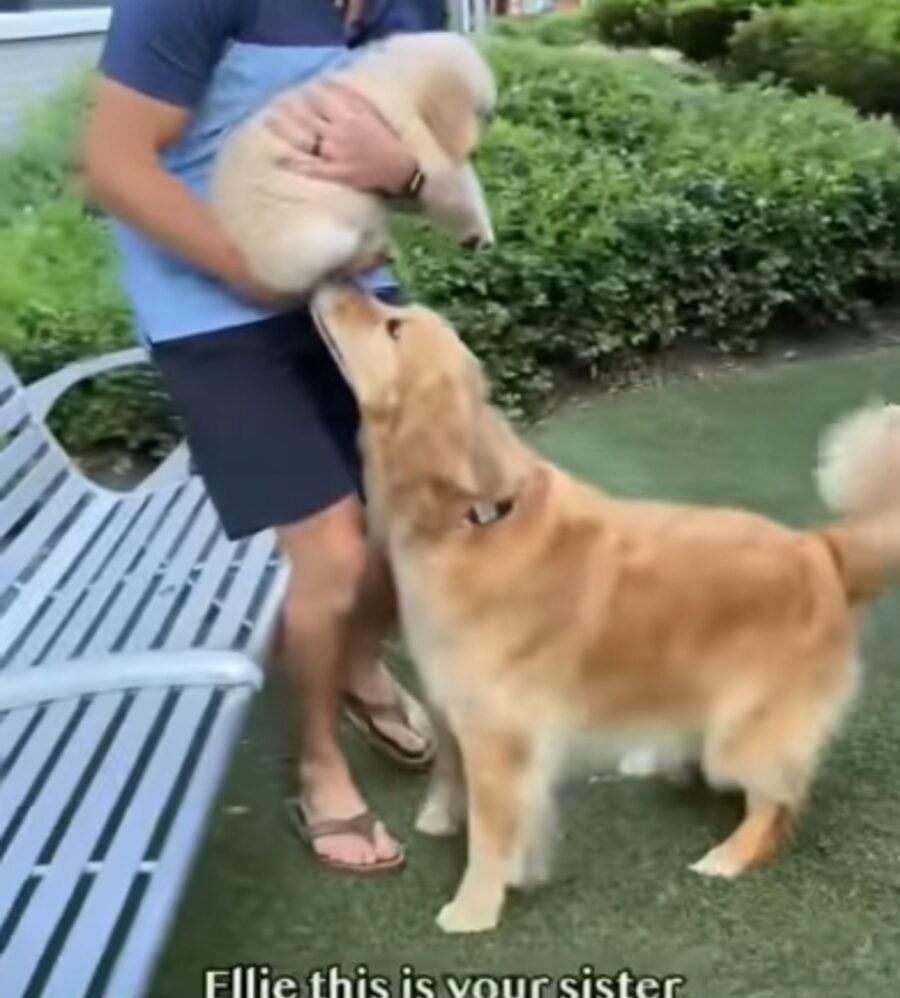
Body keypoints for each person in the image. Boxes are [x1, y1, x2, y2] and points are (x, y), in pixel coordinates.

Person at [81, 0, 448, 875]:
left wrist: (399, 171)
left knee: (415, 522)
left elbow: (434, 170)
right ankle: (319, 768)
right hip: (212, 304)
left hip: (349, 280)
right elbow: (111, 164)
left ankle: (354, 667)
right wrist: (254, 267)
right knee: (330, 553)